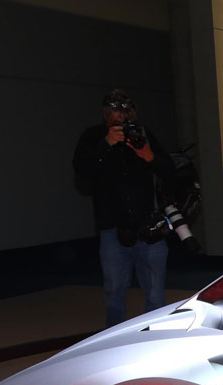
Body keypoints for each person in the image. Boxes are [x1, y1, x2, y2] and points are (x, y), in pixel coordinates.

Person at [73, 89, 177, 328]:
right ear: (105, 113)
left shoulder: (142, 135)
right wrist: (105, 145)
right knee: (114, 295)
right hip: (113, 231)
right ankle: (116, 341)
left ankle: (155, 340)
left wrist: (149, 156)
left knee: (155, 297)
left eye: (126, 111)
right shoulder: (93, 137)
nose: (120, 116)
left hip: (149, 229)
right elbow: (82, 172)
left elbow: (170, 170)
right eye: (115, 111)